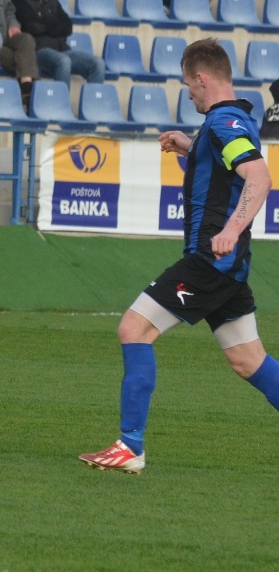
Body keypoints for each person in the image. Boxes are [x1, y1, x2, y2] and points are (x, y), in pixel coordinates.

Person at [80, 38, 278, 474]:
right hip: (227, 267)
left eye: (188, 84)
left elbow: (259, 178)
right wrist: (191, 147)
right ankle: (129, 446)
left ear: (202, 78)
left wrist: (230, 229)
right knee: (248, 361)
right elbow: (226, 169)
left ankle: (130, 446)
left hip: (210, 261)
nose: (188, 93)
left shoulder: (223, 123)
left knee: (134, 328)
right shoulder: (230, 121)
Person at [11, 0, 105, 87]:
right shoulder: (19, 2)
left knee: (98, 64)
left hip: (63, 49)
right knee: (63, 61)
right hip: (39, 51)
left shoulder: (53, 2)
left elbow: (68, 27)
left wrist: (45, 26)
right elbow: (33, 27)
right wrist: (55, 24)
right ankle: (62, 99)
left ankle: (93, 99)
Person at [0, 0, 38, 112]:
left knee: (27, 39)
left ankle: (26, 84)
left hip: (5, 35)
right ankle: (28, 93)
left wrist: (13, 25)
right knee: (21, 58)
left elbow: (10, 12)